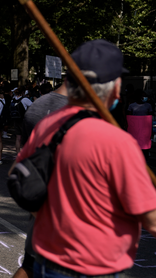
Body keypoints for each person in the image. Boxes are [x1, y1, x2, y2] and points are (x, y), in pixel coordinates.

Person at [15, 39, 156, 278]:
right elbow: (150, 217)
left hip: (46, 259)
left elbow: (18, 178)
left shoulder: (46, 125)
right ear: (115, 88)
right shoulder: (118, 142)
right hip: (91, 268)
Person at [12, 83, 68, 278]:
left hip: (44, 201)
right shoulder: (79, 114)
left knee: (30, 263)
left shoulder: (37, 105)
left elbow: (20, 168)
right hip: (65, 212)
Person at [11, 86, 32, 154]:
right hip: (23, 120)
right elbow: (32, 106)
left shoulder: (13, 99)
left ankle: (18, 153)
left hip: (15, 120)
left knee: (18, 138)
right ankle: (25, 153)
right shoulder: (24, 99)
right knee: (25, 138)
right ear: (23, 92)